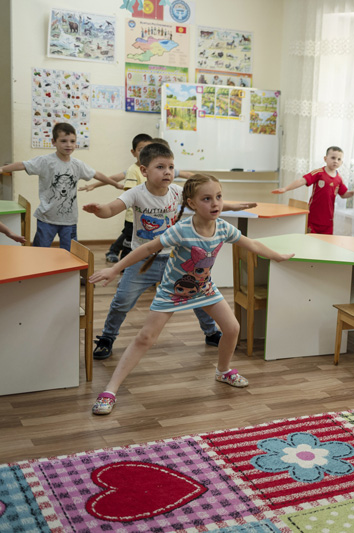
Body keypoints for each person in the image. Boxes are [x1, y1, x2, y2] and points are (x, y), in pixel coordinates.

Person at [88, 173, 294, 415]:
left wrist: (277, 255)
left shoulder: (224, 228)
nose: (215, 203)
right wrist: (115, 269)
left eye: (218, 197)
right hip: (171, 292)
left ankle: (223, 371)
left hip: (204, 288)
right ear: (192, 203)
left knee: (232, 328)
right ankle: (110, 390)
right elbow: (147, 248)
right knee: (145, 338)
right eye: (207, 198)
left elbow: (253, 244)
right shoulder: (182, 230)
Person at [84, 142, 255, 360]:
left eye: (171, 167)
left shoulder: (177, 192)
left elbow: (206, 200)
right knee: (122, 301)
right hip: (142, 260)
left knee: (200, 295)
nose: (168, 172)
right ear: (144, 170)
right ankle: (108, 337)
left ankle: (211, 332)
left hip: (175, 260)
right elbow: (111, 209)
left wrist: (231, 205)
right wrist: (99, 210)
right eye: (160, 167)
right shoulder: (136, 193)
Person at [0, 123, 121, 251]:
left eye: (72, 141)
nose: (68, 145)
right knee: (39, 251)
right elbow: (23, 165)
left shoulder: (77, 165)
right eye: (63, 141)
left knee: (71, 254)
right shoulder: (45, 161)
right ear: (54, 142)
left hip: (69, 221)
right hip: (46, 218)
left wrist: (115, 184)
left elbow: (96, 174)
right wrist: (2, 169)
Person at [81, 133, 153, 263]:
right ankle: (122, 263)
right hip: (134, 214)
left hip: (146, 215)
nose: (145, 153)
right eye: (141, 149)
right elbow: (113, 179)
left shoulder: (153, 169)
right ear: (133, 152)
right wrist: (94, 185)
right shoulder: (133, 170)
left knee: (129, 235)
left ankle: (114, 251)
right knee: (129, 238)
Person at [271, 146, 354, 234]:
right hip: (313, 218)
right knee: (310, 242)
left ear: (341, 162)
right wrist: (285, 188)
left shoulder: (339, 179)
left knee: (326, 244)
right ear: (325, 159)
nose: (335, 161)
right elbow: (302, 180)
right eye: (333, 158)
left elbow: (343, 194)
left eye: (339, 159)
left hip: (328, 221)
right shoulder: (318, 173)